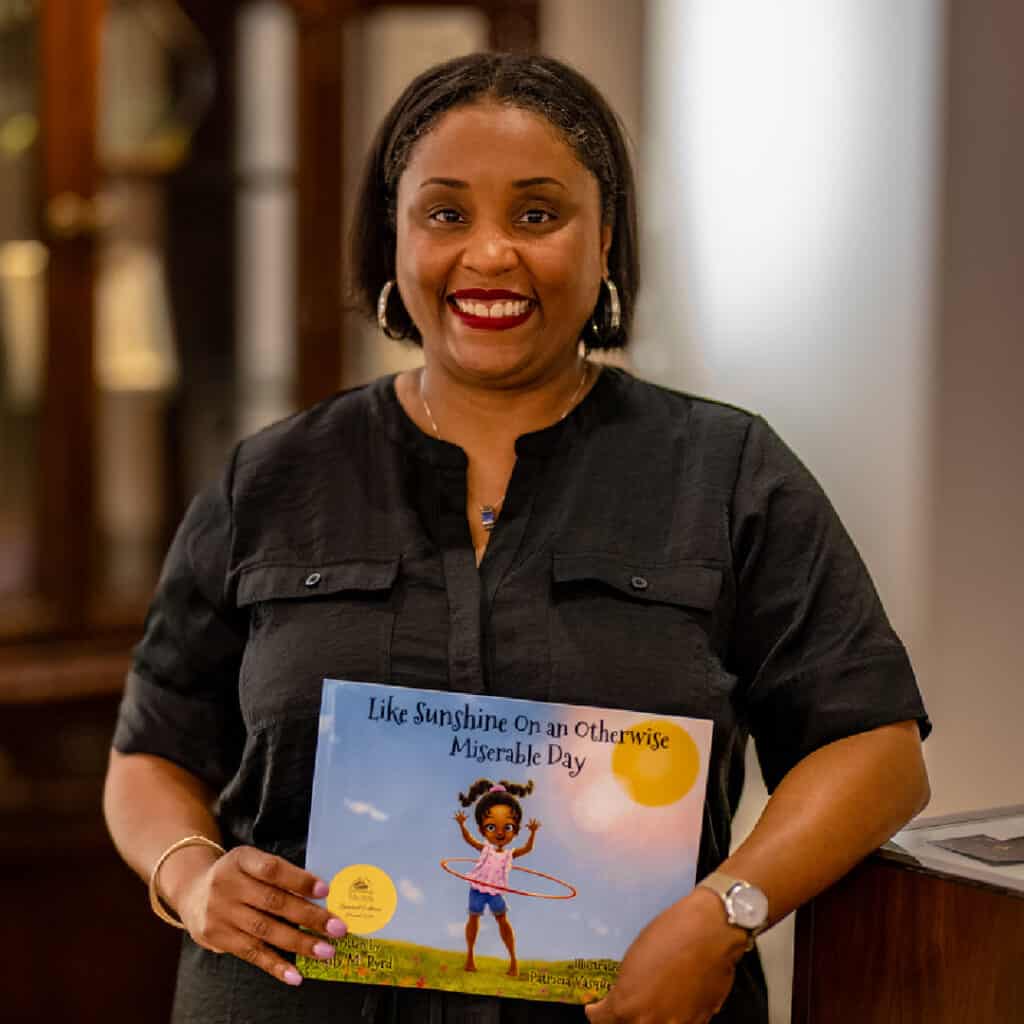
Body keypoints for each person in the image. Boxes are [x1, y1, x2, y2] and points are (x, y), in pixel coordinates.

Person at [103, 52, 930, 1024]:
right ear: (394, 238)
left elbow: (873, 751)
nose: (488, 254)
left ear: (605, 235)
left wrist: (726, 911)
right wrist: (191, 874)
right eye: (445, 214)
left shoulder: (726, 472)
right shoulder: (274, 477)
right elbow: (150, 750)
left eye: (537, 214)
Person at [454, 778, 541, 977]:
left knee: (502, 920)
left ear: (516, 829)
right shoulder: (485, 848)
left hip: (495, 892)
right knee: (473, 918)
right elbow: (469, 840)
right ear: (482, 829)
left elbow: (528, 848)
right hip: (477, 888)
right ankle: (469, 958)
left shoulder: (510, 854)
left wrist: (533, 833)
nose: (500, 832)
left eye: (508, 827)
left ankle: (513, 961)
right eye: (492, 827)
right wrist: (461, 825)